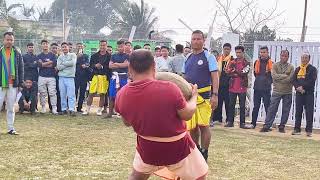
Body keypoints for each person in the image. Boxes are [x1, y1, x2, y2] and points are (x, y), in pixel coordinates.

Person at [115, 50, 208, 180]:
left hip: (146, 148)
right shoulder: (170, 88)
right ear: (154, 66)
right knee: (200, 176)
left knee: (136, 176)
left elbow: (127, 123)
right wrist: (194, 97)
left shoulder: (122, 93)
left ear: (130, 68)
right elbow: (187, 115)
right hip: (178, 148)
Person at [183, 30, 219, 161]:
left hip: (204, 97)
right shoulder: (187, 58)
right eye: (194, 39)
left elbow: (215, 76)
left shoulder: (209, 57)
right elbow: (183, 77)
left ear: (203, 41)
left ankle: (204, 153)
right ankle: (195, 151)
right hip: (189, 97)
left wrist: (215, 94)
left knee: (204, 126)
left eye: (199, 39)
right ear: (190, 41)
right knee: (192, 127)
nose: (196, 41)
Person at [260, 50, 295, 133]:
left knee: (286, 110)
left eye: (285, 56)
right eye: (282, 55)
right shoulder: (275, 65)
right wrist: (284, 76)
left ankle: (282, 126)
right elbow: (274, 76)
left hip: (287, 91)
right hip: (277, 91)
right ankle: (267, 126)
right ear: (280, 56)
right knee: (272, 109)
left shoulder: (291, 67)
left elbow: (290, 78)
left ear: (288, 57)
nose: (284, 57)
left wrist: (281, 78)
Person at [0, 32, 24, 135]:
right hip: (1, 84)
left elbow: (21, 68)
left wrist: (20, 83)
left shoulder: (17, 53)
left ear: (13, 41)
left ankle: (11, 128)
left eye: (11, 40)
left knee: (10, 107)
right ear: (3, 40)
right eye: (7, 39)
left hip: (13, 84)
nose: (9, 41)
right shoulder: (0, 52)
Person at [292, 52, 317, 137]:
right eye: (302, 57)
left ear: (309, 59)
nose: (304, 59)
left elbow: (311, 81)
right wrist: (297, 87)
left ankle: (309, 130)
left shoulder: (312, 69)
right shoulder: (297, 69)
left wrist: (303, 87)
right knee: (298, 111)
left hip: (308, 94)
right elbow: (294, 80)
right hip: (299, 93)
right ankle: (297, 129)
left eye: (306, 57)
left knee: (309, 112)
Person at [224, 45, 250, 128]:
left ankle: (242, 123)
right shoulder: (232, 62)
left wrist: (234, 71)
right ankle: (230, 122)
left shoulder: (247, 62)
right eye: (237, 52)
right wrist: (236, 72)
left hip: (242, 87)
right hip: (232, 87)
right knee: (231, 105)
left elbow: (244, 73)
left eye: (239, 52)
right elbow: (228, 72)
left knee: (242, 106)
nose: (238, 54)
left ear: (243, 52)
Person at [82, 40, 111, 116]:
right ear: (99, 46)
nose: (102, 47)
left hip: (104, 76)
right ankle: (87, 110)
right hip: (95, 76)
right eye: (101, 45)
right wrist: (95, 66)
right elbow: (90, 65)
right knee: (91, 93)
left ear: (106, 46)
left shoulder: (110, 56)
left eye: (104, 45)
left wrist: (102, 66)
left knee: (102, 94)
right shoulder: (94, 56)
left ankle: (99, 110)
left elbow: (110, 67)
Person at [251, 46, 273, 128]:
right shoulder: (256, 62)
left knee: (267, 106)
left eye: (264, 52)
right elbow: (255, 73)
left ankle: (268, 125)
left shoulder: (271, 63)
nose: (262, 54)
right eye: (261, 52)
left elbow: (273, 76)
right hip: (257, 87)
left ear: (267, 53)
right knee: (256, 106)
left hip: (266, 88)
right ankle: (253, 123)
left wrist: (268, 82)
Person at [106, 40, 129, 118]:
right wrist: (121, 64)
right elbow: (110, 66)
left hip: (124, 77)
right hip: (114, 77)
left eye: (122, 46)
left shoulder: (128, 56)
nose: (120, 48)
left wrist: (116, 64)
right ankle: (110, 113)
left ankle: (123, 113)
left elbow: (126, 65)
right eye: (119, 47)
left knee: (123, 95)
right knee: (112, 95)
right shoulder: (113, 56)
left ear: (125, 46)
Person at [212, 43, 232, 124]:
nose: (226, 50)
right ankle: (217, 118)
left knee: (228, 103)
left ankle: (228, 119)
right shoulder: (218, 59)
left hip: (229, 84)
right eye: (225, 49)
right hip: (219, 83)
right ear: (223, 49)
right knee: (218, 102)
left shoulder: (232, 60)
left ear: (230, 50)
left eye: (228, 49)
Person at [37, 40, 58, 114]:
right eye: (43, 44)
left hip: (51, 77)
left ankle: (54, 108)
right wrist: (49, 62)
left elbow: (54, 64)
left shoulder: (53, 55)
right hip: (42, 76)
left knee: (52, 93)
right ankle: (43, 107)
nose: (45, 45)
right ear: (41, 45)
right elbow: (40, 65)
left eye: (46, 44)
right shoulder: (39, 56)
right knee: (42, 93)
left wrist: (44, 63)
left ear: (48, 45)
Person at [56, 42, 77, 116]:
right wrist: (67, 64)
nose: (64, 48)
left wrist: (63, 63)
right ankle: (64, 109)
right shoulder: (60, 57)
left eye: (65, 47)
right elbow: (58, 67)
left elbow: (72, 63)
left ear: (68, 47)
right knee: (62, 94)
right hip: (61, 77)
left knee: (71, 94)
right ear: (61, 48)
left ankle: (72, 109)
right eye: (63, 47)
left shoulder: (73, 55)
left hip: (70, 77)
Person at [75, 42, 90, 112]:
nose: (80, 47)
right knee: (74, 92)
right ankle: (71, 107)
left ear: (83, 47)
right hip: (75, 76)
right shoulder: (73, 55)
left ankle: (79, 107)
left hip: (84, 77)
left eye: (81, 46)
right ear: (76, 47)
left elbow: (88, 64)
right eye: (78, 46)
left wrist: (86, 65)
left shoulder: (86, 56)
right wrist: (77, 57)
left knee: (82, 93)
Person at [48, 42, 62, 113]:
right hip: (50, 76)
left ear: (58, 49)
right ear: (50, 49)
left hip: (59, 77)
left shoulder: (61, 57)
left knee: (59, 92)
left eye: (56, 48)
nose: (54, 49)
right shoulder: (48, 56)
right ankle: (51, 108)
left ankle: (59, 108)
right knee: (51, 93)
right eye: (53, 48)